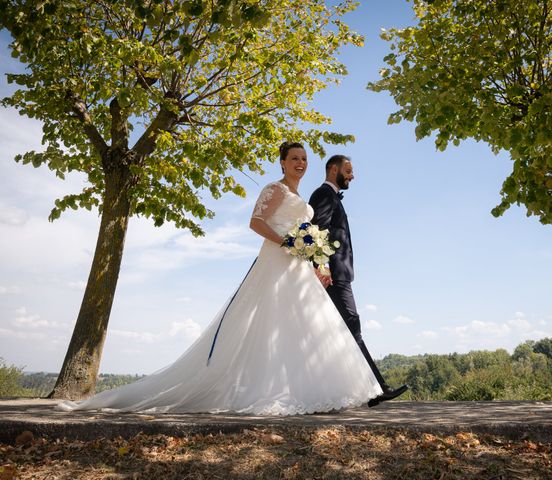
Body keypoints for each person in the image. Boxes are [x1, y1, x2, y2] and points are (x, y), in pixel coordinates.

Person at [58, 142, 382, 415]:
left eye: (304, 159)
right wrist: (287, 241)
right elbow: (256, 223)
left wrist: (312, 255)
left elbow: (307, 230)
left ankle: (309, 386)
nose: (300, 163)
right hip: (276, 260)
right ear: (282, 163)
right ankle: (264, 388)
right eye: (294, 158)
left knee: (306, 323)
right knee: (270, 321)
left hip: (299, 267)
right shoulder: (275, 189)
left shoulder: (301, 196)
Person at [309, 155, 408, 407]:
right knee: (352, 326)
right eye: (348, 171)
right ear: (334, 170)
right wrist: (322, 267)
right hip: (333, 275)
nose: (352, 176)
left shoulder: (331, 197)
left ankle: (368, 391)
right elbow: (317, 231)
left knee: (340, 331)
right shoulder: (323, 195)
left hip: (338, 273)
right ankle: (377, 390)